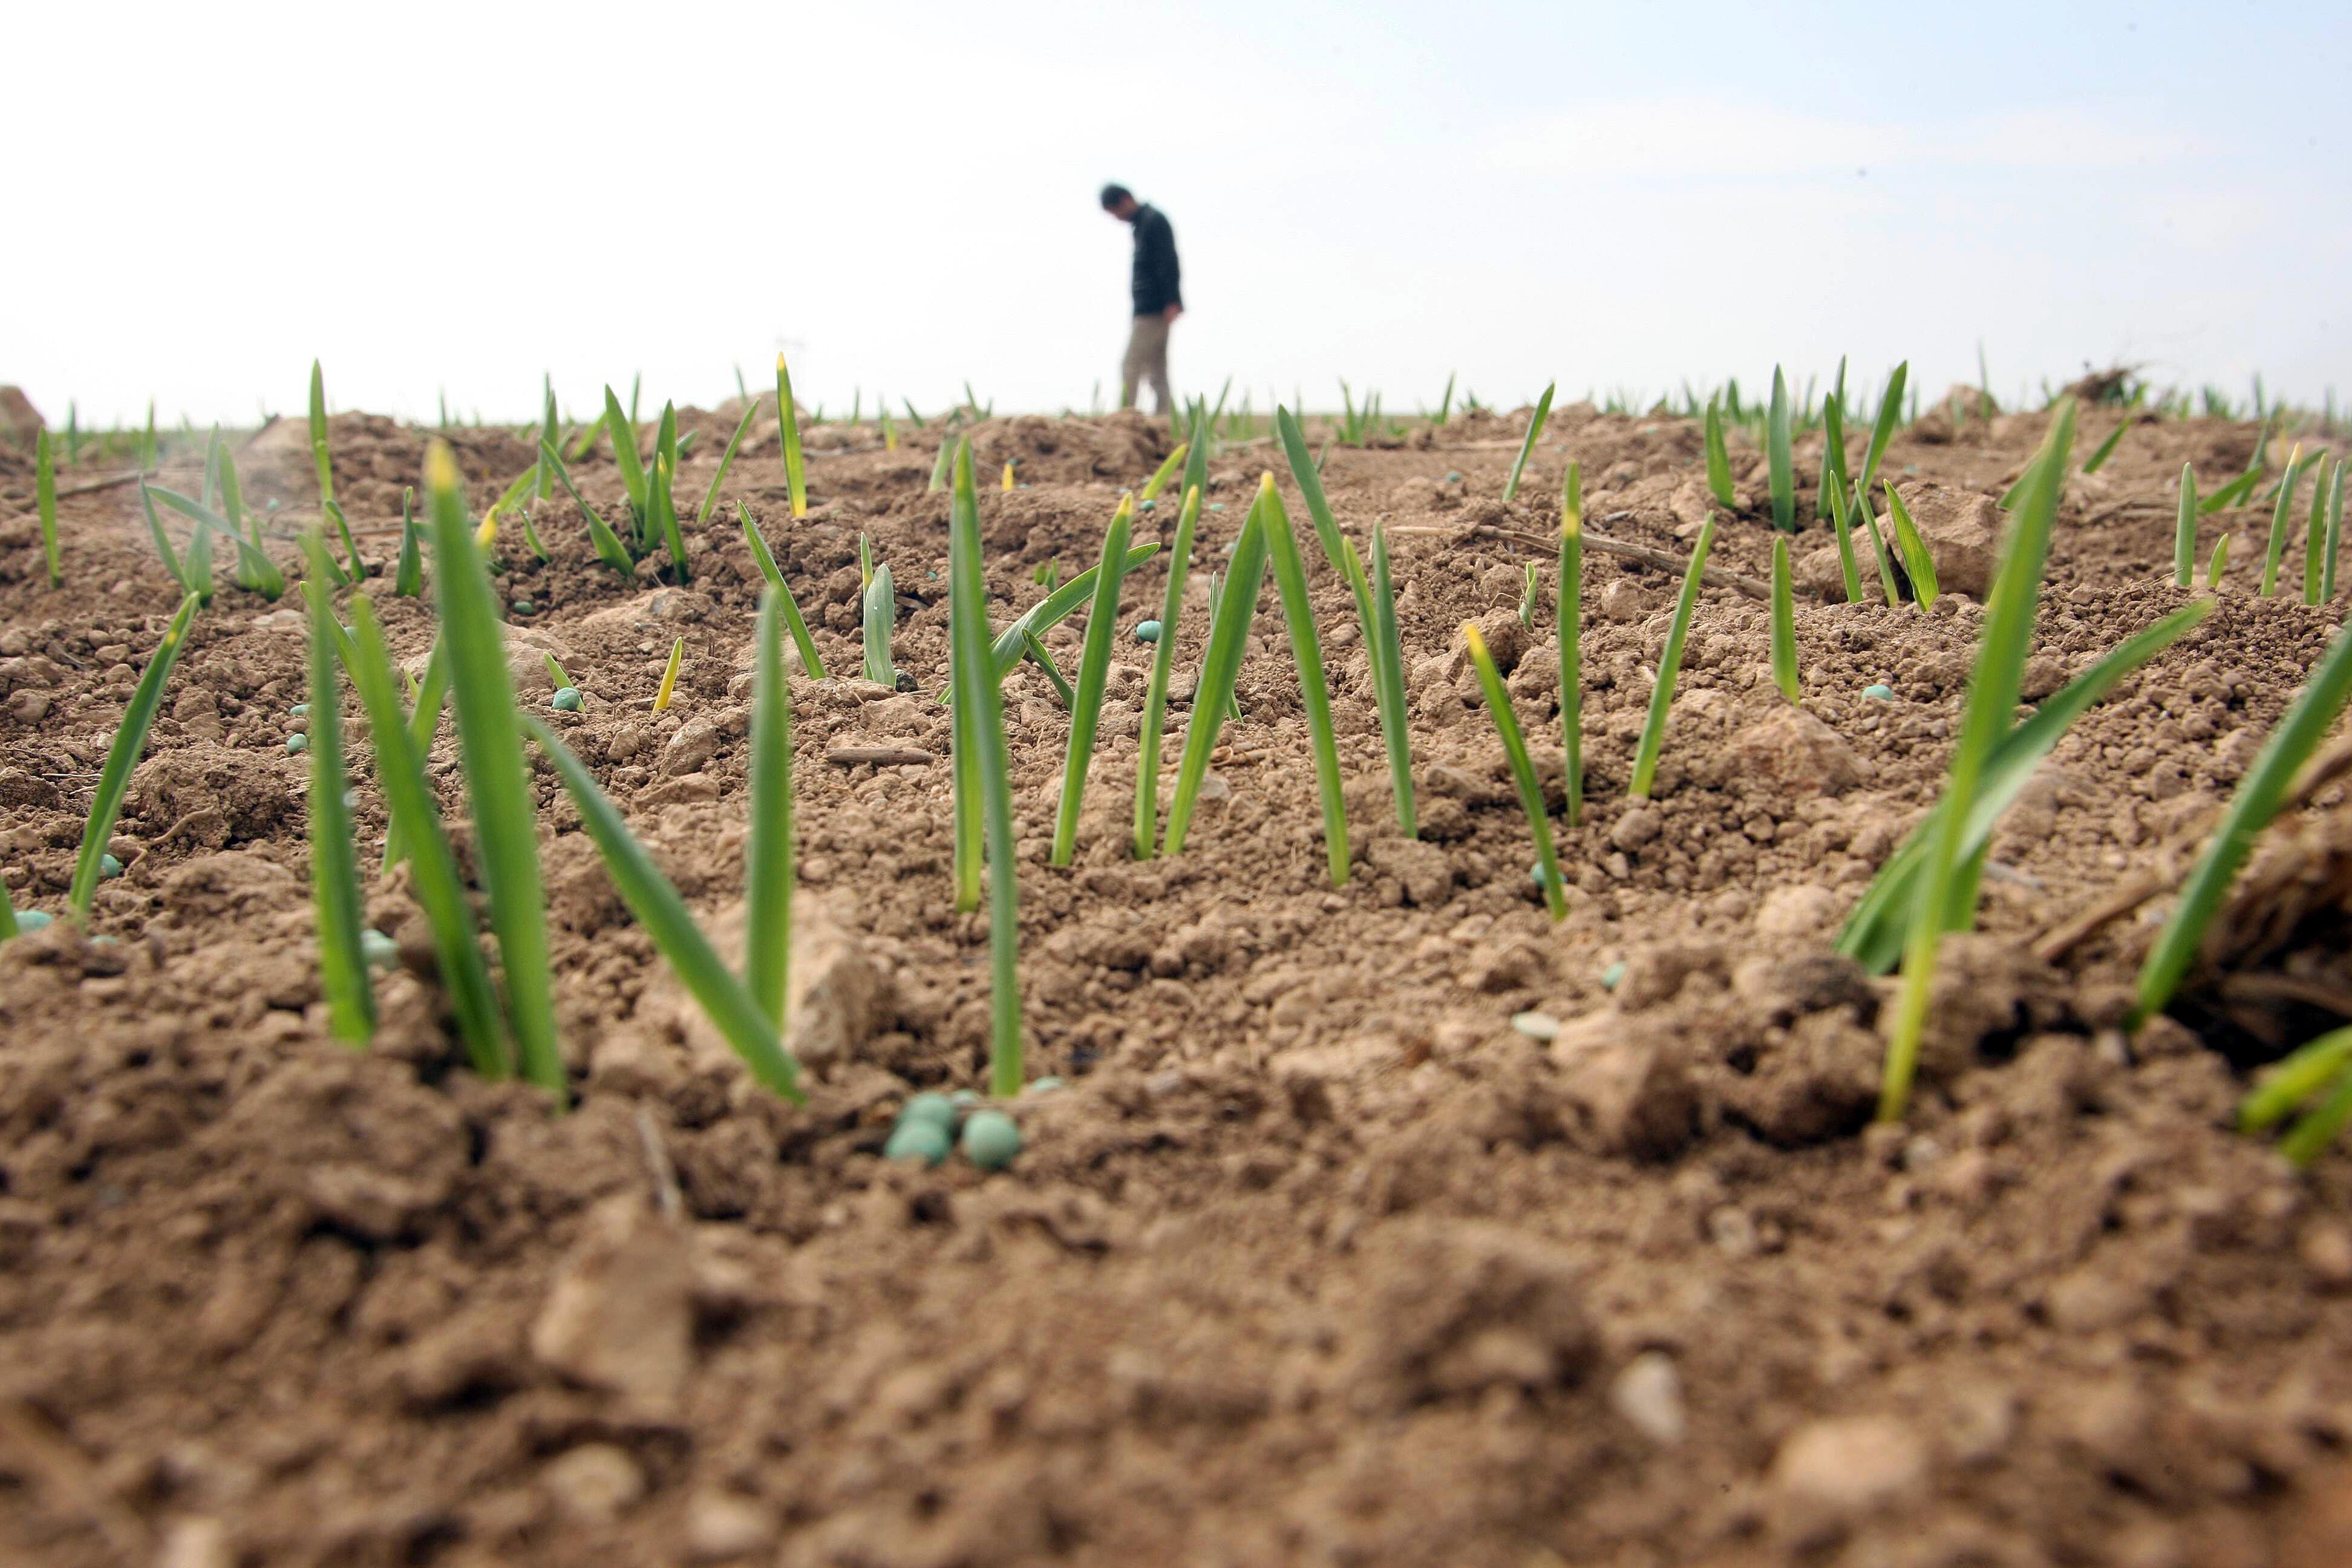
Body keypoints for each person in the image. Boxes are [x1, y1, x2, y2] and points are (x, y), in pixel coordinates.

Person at [1100, 183, 1181, 414]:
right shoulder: (1142, 224)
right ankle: (1163, 421)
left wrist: (1172, 300)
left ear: (1125, 200)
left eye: (1115, 212)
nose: (1117, 218)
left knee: (1131, 365)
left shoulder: (1153, 221)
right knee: (1157, 368)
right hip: (1150, 307)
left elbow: (1168, 261)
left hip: (1153, 309)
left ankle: (1126, 421)